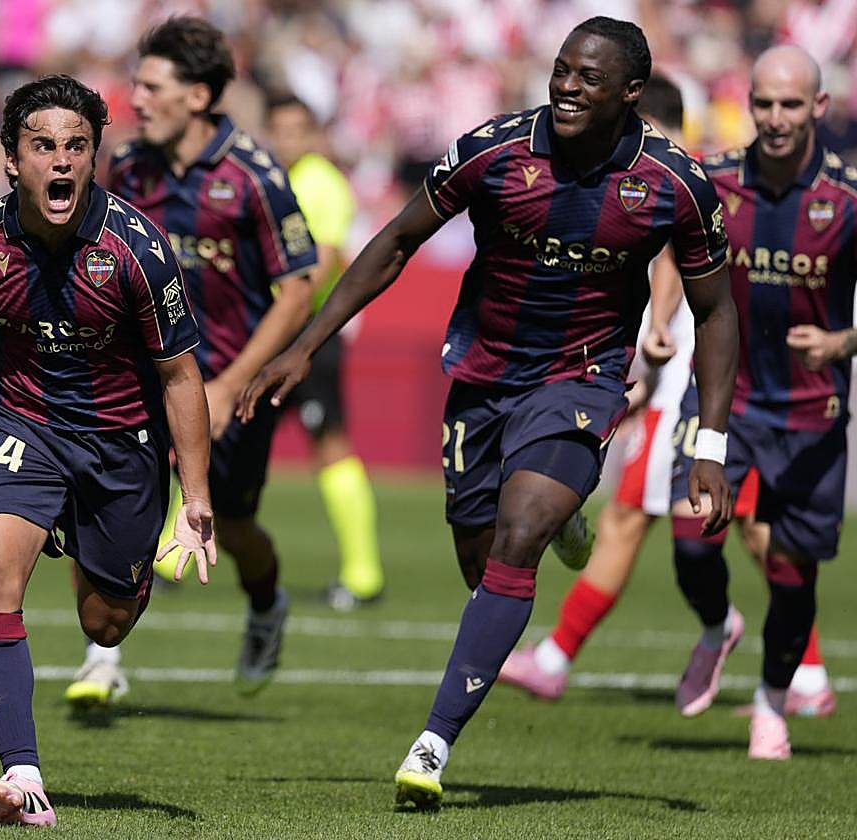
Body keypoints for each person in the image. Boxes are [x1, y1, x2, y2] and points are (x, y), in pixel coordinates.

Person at [240, 17, 738, 809]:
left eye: (589, 77)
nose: (568, 86)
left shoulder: (674, 182)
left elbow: (715, 313)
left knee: (517, 534)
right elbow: (399, 240)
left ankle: (431, 743)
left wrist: (709, 441)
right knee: (483, 559)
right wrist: (306, 345)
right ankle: (562, 518)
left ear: (632, 93)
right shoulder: (494, 149)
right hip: (483, 377)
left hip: (582, 378)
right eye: (561, 69)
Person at [0, 74, 217, 827]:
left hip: (120, 447)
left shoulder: (137, 251)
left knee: (104, 624)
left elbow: (179, 377)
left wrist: (196, 498)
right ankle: (22, 776)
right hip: (22, 427)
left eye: (77, 146)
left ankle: (86, 536)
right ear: (12, 159)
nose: (62, 161)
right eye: (43, 146)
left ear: (94, 157)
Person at [498, 76, 835, 717]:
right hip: (707, 376)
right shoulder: (701, 176)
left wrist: (655, 326)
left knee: (657, 515)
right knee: (742, 528)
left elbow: (677, 266)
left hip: (696, 377)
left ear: (638, 120)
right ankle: (808, 675)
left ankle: (560, 657)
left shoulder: (672, 178)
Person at [64, 16, 317, 707]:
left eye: (151, 86)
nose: (135, 98)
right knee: (115, 505)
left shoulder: (255, 176)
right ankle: (101, 656)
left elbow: (298, 291)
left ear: (199, 95)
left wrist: (233, 382)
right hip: (141, 380)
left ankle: (267, 603)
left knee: (230, 526)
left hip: (231, 385)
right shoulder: (128, 166)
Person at [659, 45, 857, 759]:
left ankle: (773, 700)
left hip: (811, 415)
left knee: (792, 575)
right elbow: (662, 251)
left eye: (791, 105)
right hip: (724, 400)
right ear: (750, 102)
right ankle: (716, 626)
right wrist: (655, 323)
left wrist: (843, 342)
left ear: (819, 109)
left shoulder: (848, 200)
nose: (775, 118)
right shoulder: (713, 183)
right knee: (689, 540)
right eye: (765, 103)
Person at [263, 92, 384, 610]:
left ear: (312, 134)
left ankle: (363, 573)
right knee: (212, 433)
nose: (288, 139)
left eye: (297, 130)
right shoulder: (271, 179)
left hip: (306, 334)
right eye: (280, 129)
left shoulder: (322, 184)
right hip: (269, 331)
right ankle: (169, 554)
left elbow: (321, 266)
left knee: (329, 444)